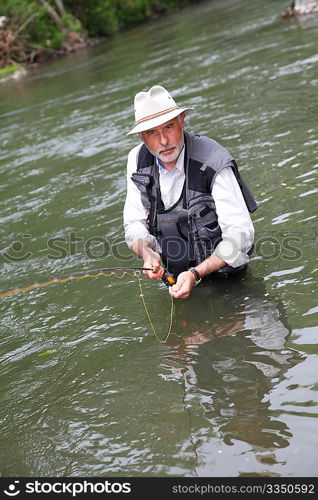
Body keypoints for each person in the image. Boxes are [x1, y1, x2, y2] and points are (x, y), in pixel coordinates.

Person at [123, 85, 257, 299]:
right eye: (151, 132)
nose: (163, 141)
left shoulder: (214, 161)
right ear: (141, 136)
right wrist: (147, 252)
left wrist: (195, 274)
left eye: (169, 127)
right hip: (175, 280)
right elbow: (134, 224)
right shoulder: (137, 160)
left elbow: (241, 237)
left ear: (182, 121)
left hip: (229, 279)